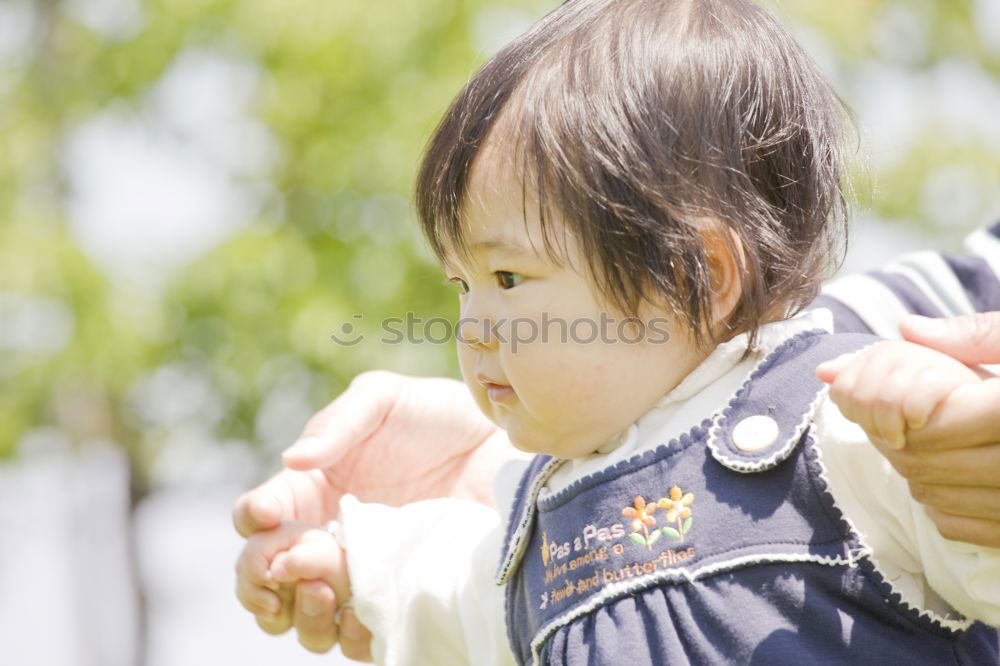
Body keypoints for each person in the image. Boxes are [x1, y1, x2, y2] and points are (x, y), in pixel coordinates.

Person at [235, 0, 1000, 662]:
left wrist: (940, 424)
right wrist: (342, 566)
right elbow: (441, 586)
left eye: (507, 279)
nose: (472, 328)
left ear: (694, 275)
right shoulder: (536, 532)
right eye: (462, 285)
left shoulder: (838, 432)